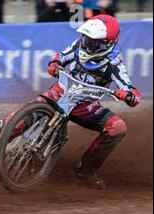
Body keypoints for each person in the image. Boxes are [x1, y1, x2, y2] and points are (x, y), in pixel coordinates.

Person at [36, 15, 141, 189]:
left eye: (94, 43)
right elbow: (60, 57)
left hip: (86, 105)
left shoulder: (115, 63)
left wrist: (128, 96)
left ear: (107, 44)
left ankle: (85, 172)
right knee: (34, 107)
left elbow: (132, 91)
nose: (87, 44)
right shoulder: (79, 44)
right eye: (86, 39)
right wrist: (54, 64)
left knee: (117, 128)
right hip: (63, 91)